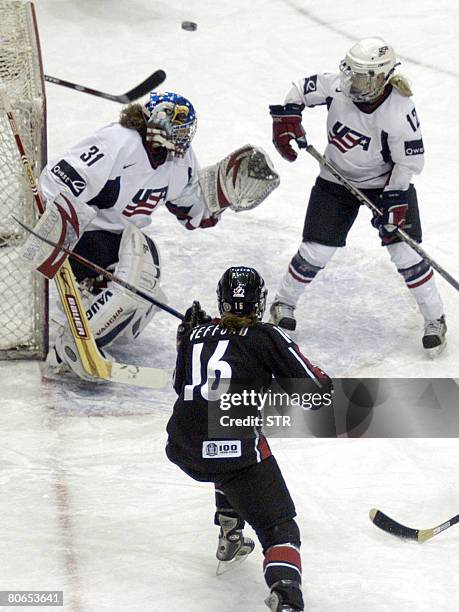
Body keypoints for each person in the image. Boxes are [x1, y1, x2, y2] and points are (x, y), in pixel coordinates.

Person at [26, 91, 279, 379]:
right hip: (82, 235)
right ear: (159, 124)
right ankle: (69, 341)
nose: (185, 138)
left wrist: (222, 194)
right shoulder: (117, 142)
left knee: (146, 295)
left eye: (187, 131)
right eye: (180, 130)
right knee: (141, 267)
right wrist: (61, 237)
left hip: (112, 241)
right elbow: (57, 180)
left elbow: (190, 208)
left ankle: (88, 322)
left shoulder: (179, 161)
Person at [166, 266, 333, 612]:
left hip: (182, 443)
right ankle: (287, 596)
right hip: (230, 450)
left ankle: (230, 534)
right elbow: (316, 392)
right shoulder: (266, 335)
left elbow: (182, 387)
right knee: (278, 526)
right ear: (259, 302)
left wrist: (188, 335)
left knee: (223, 442)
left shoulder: (196, 333)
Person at [268, 37, 447, 356]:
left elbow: (409, 163)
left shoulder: (400, 110)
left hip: (386, 184)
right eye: (350, 72)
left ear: (382, 77)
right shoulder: (338, 86)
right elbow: (300, 88)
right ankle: (284, 303)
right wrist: (287, 117)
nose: (352, 81)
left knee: (406, 253)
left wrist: (394, 199)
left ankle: (435, 320)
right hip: (335, 178)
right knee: (316, 249)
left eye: (361, 75)